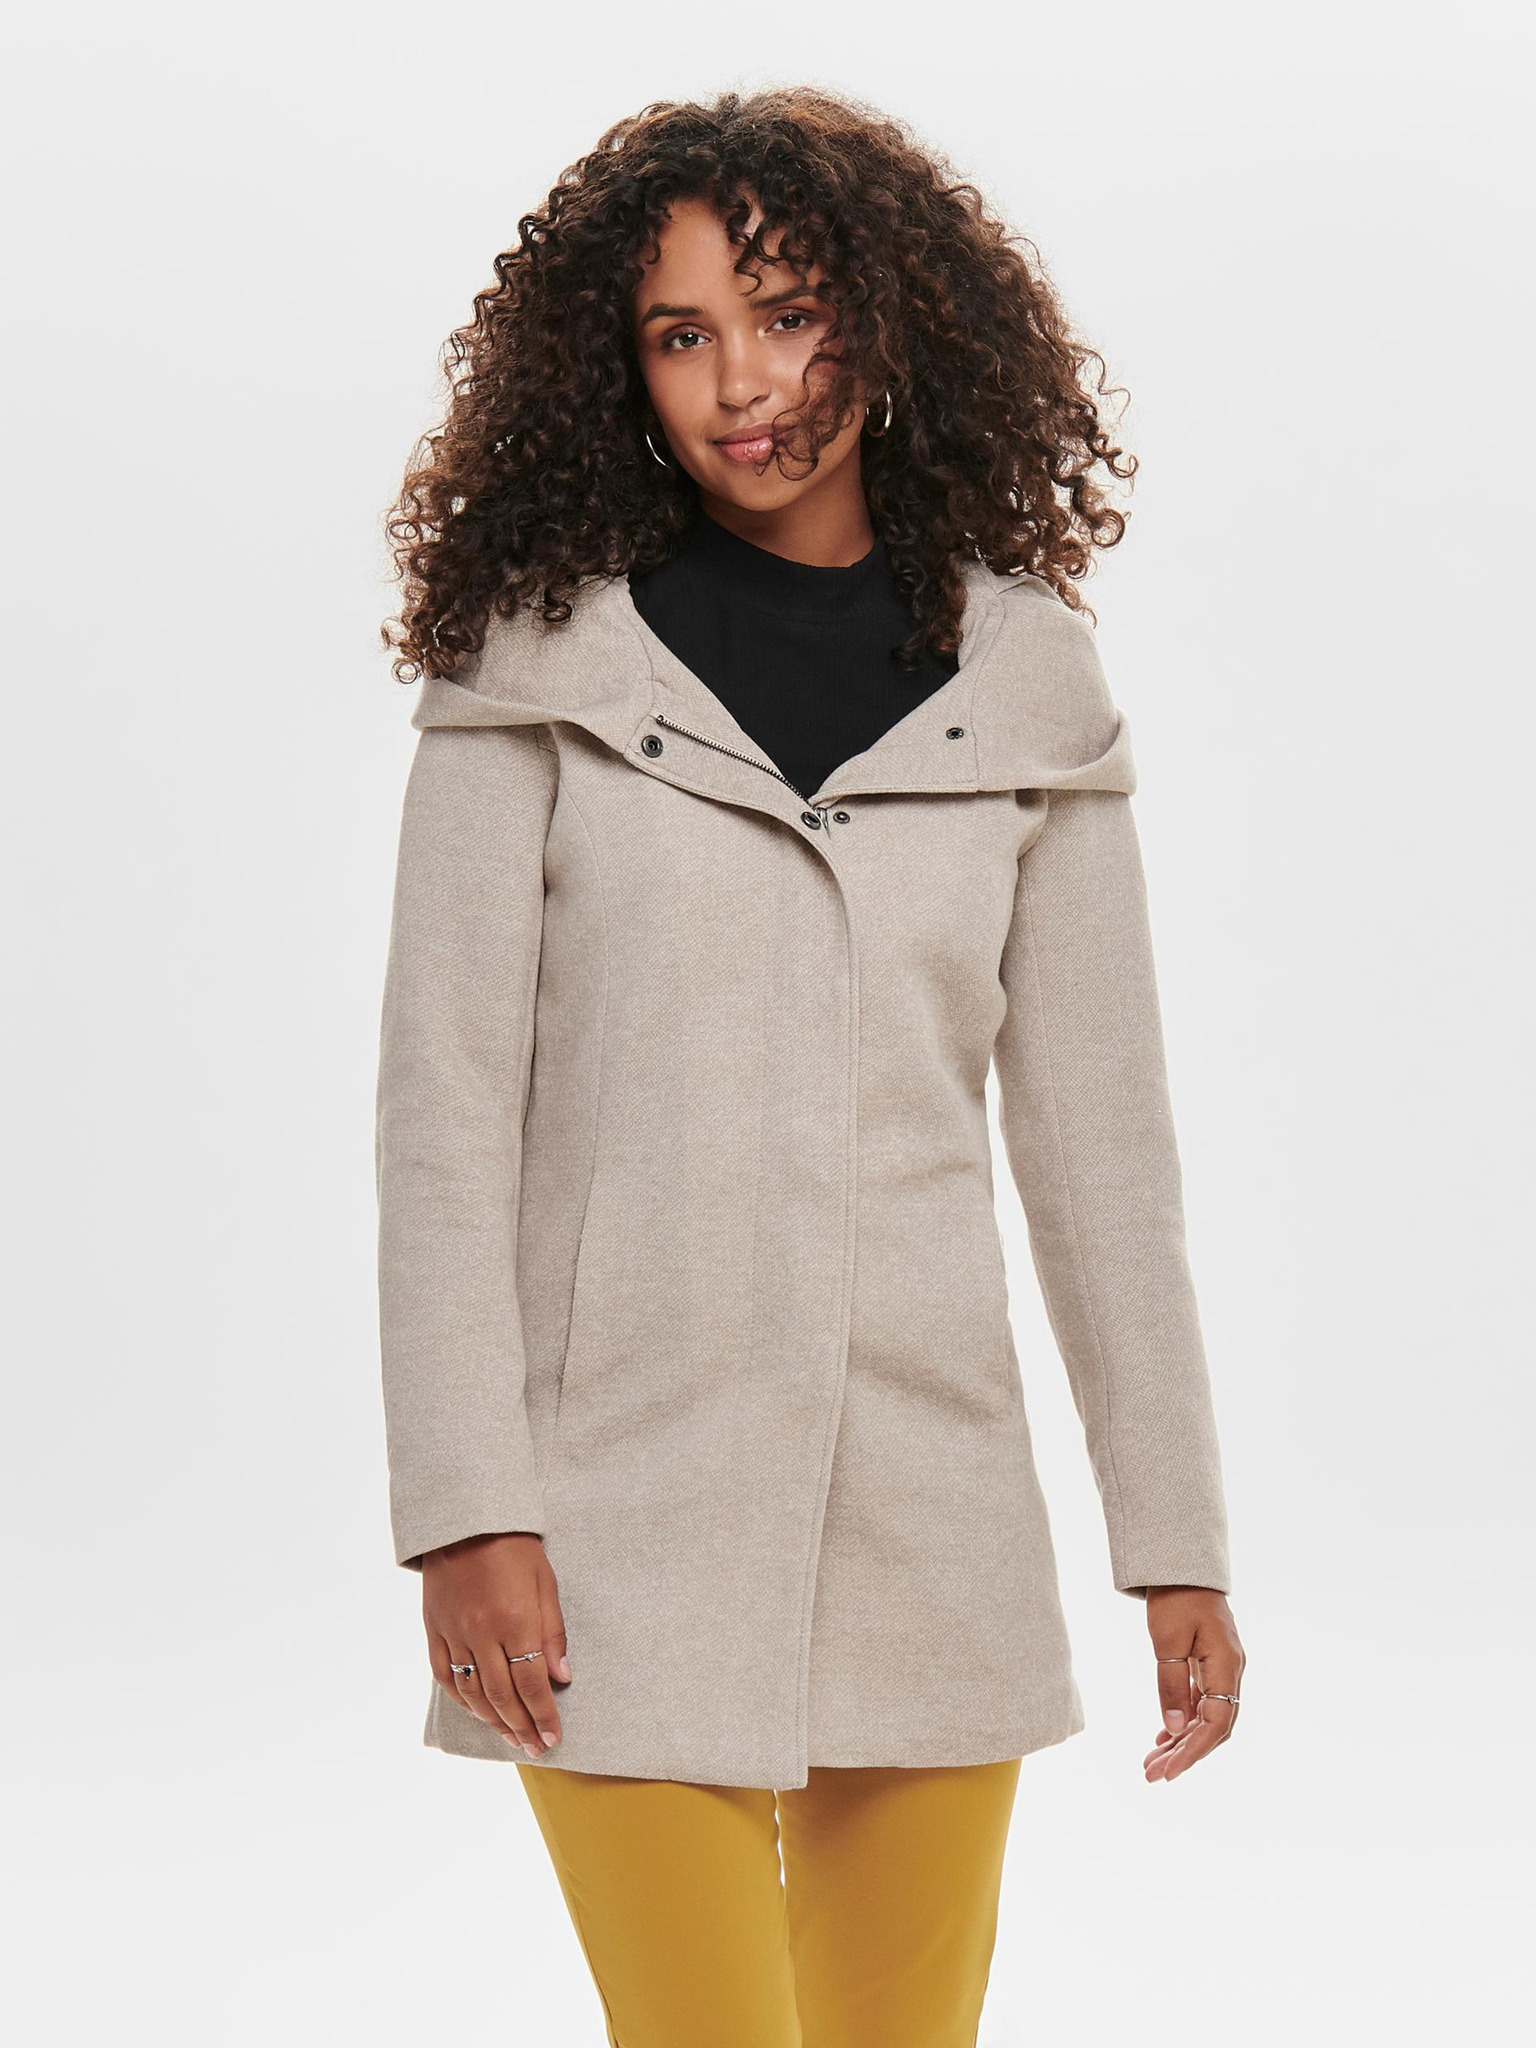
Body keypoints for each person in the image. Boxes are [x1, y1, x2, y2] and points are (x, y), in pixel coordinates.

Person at [376, 83, 1245, 2048]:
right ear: (616, 369)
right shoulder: (534, 666)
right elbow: (443, 1123)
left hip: (936, 1523)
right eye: (680, 333)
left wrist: (1175, 1538)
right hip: (605, 1528)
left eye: (785, 314)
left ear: (890, 319)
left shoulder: (1031, 684)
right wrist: (465, 1508)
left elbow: (1104, 1160)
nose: (741, 384)